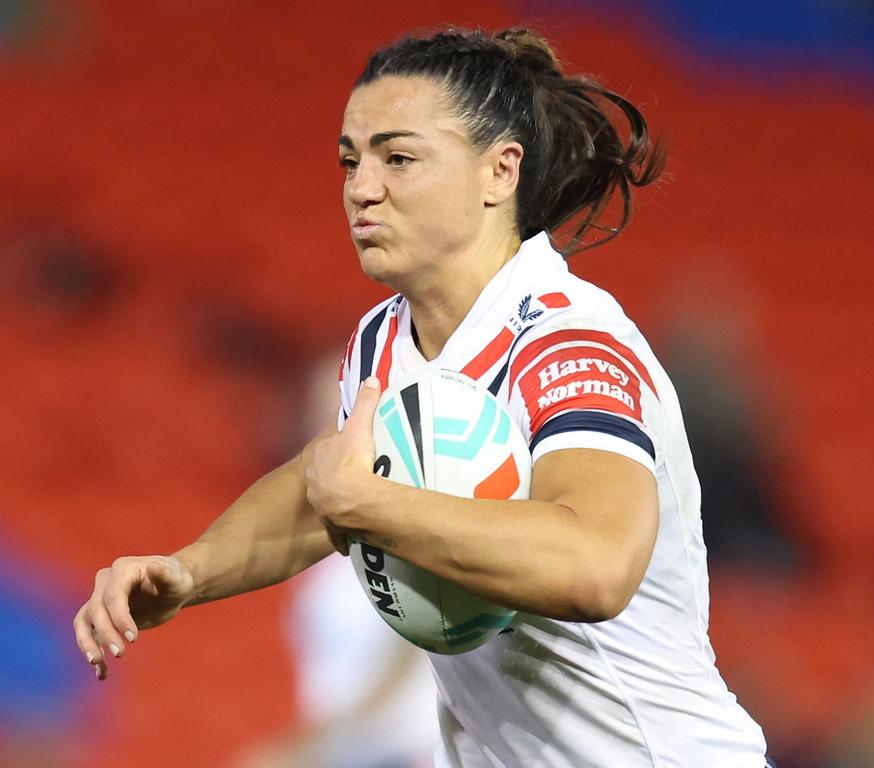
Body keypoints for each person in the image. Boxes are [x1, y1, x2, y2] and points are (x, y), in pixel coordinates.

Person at [73, 27, 771, 767]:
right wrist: (192, 572)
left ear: (499, 172)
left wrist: (369, 507)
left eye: (398, 158)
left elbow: (594, 566)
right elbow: (327, 485)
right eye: (351, 160)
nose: (360, 186)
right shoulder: (382, 340)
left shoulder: (567, 341)